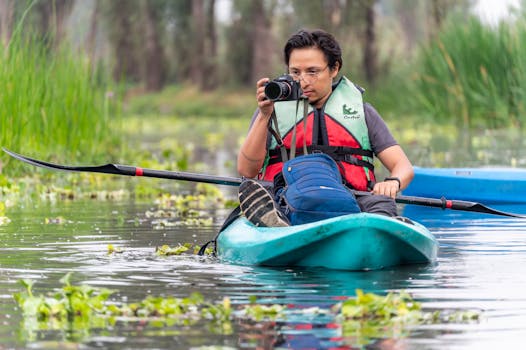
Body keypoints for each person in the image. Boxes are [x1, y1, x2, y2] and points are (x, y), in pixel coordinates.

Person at [237, 29, 414, 227]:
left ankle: (376, 229)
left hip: (352, 199)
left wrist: (393, 182)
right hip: (287, 197)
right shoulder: (270, 111)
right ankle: (277, 224)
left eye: (312, 72)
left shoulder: (363, 113)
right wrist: (264, 116)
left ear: (334, 68)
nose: (303, 80)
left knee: (381, 203)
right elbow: (247, 170)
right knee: (270, 200)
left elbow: (403, 167)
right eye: (295, 72)